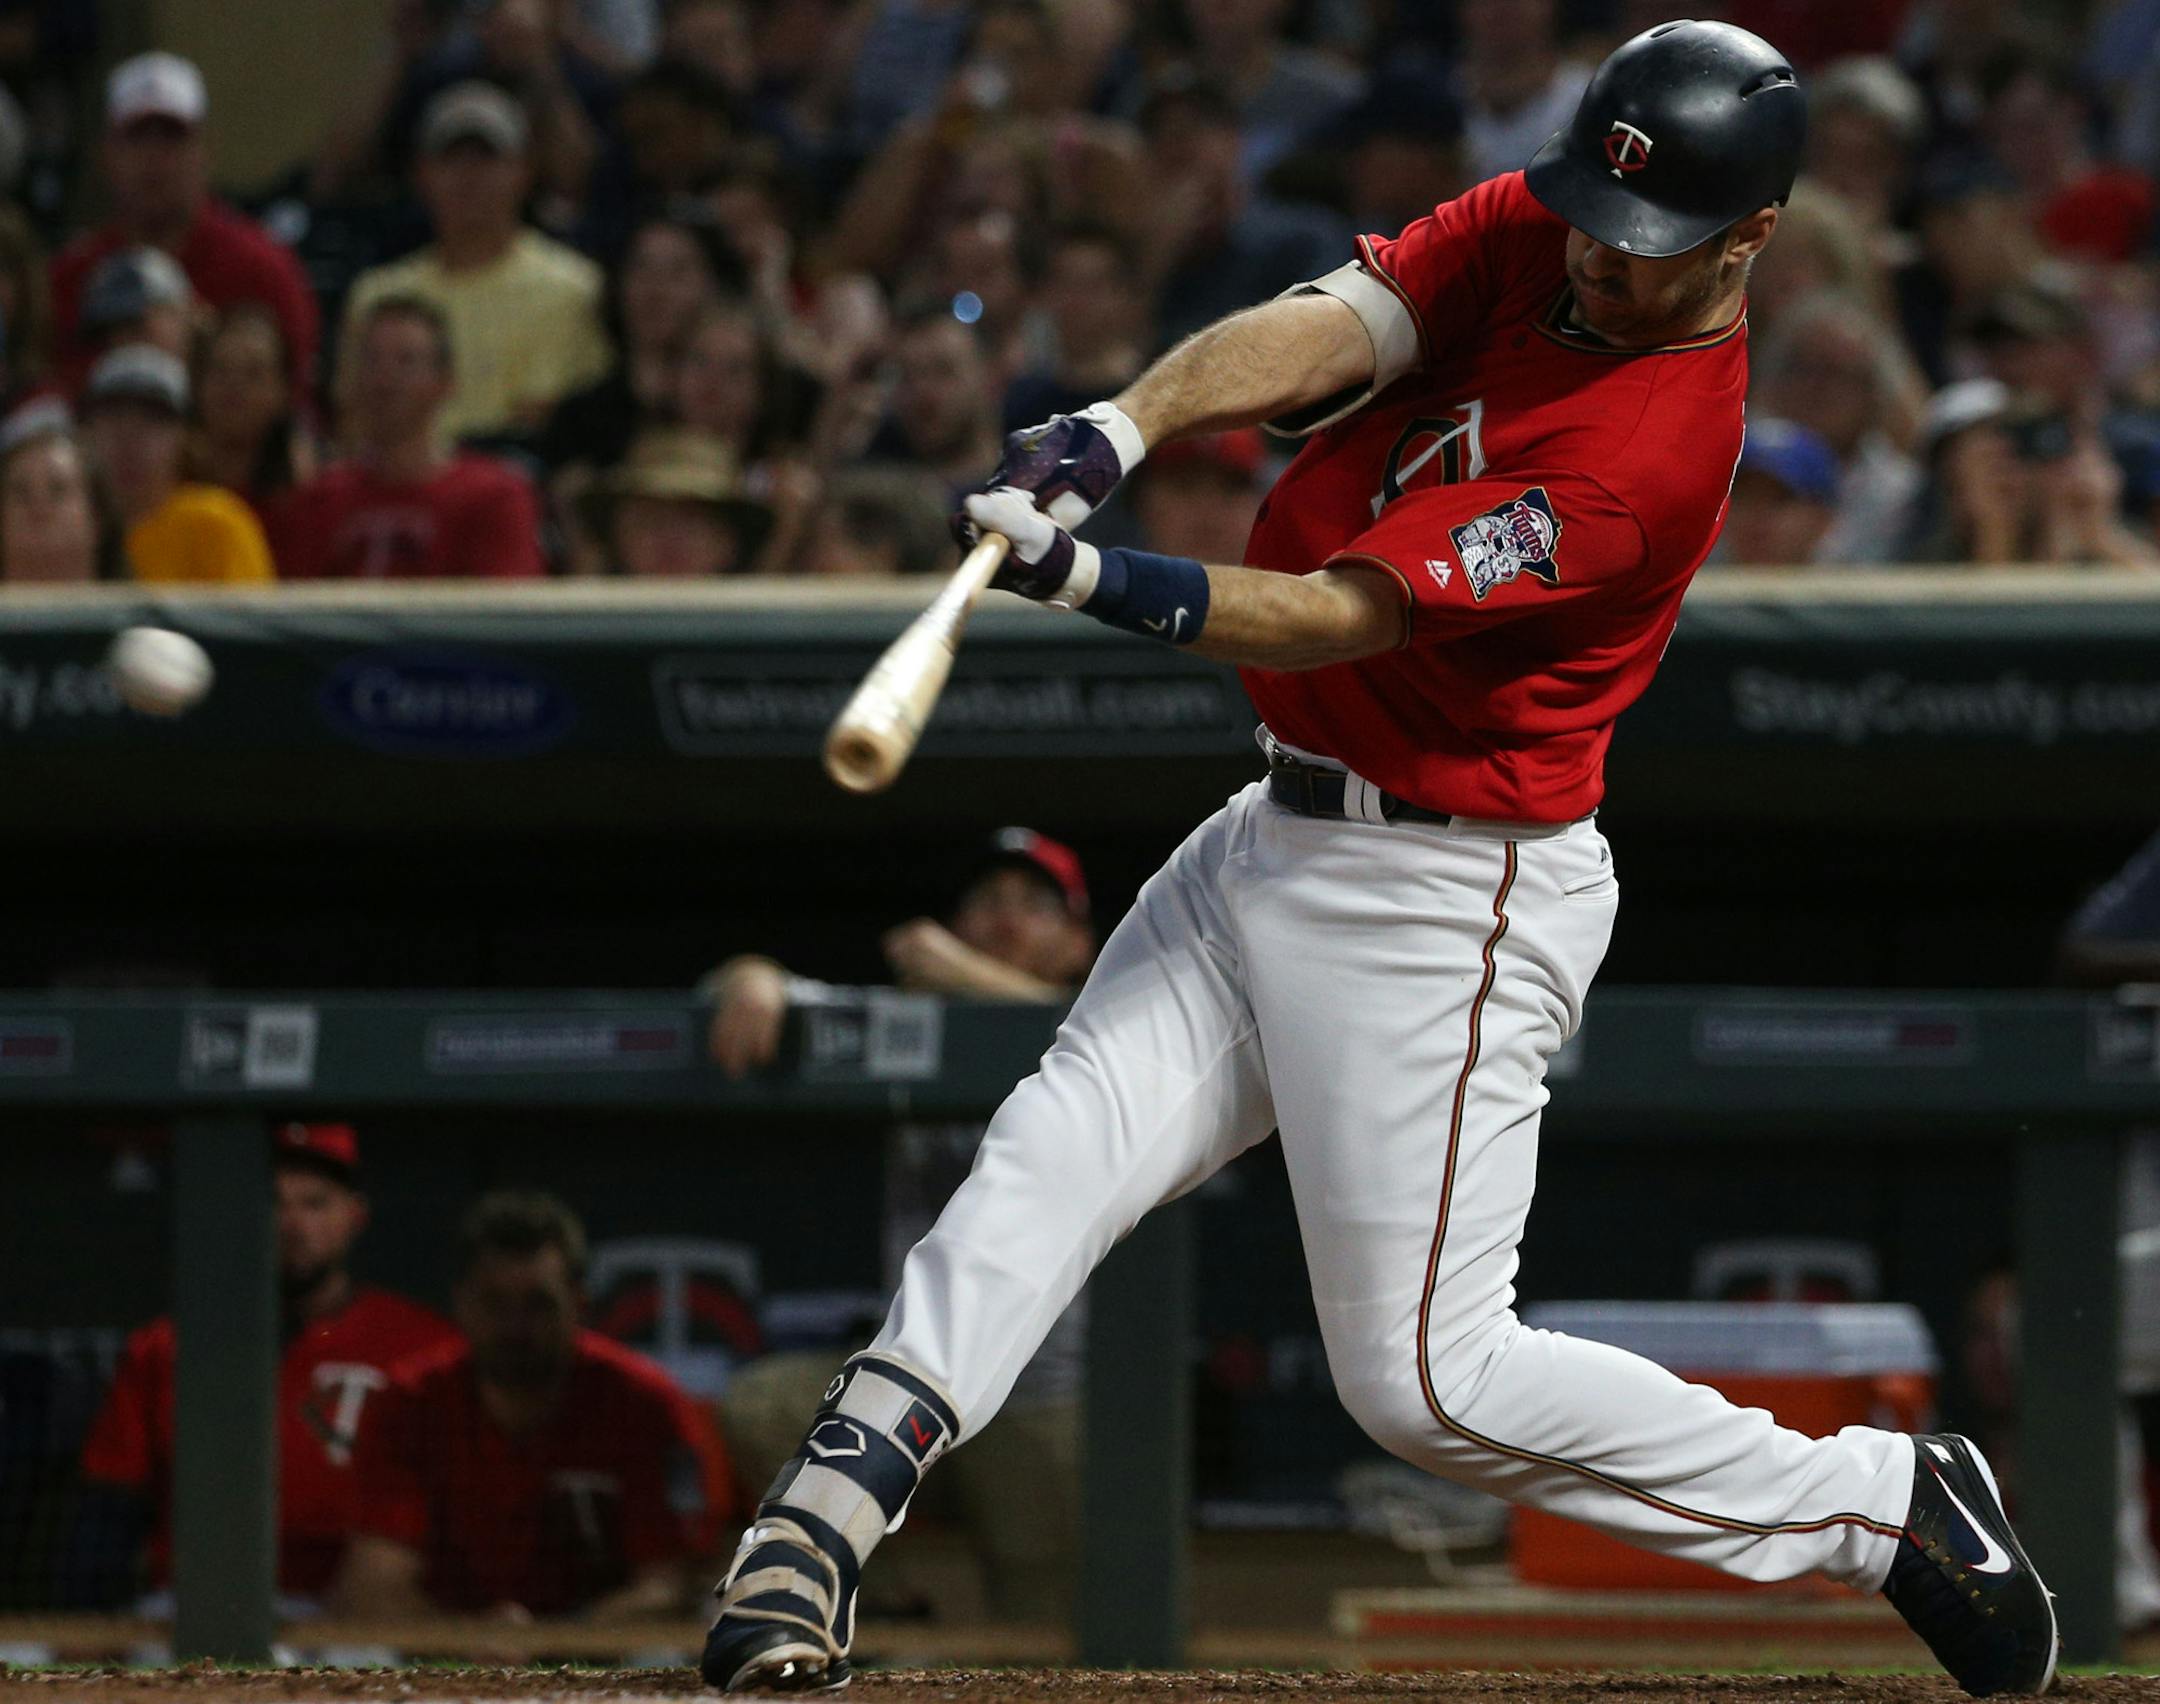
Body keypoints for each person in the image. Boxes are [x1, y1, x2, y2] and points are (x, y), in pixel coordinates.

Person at [699, 25, 2060, 1700]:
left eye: (1646, 252)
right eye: (1587, 217)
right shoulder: (1548, 220)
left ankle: (1882, 1500)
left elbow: (1348, 609)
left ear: (1750, 236)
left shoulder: (1659, 448)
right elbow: (1330, 328)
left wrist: (1108, 583)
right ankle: (827, 1510)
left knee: (1426, 1377)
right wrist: (1123, 425)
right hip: (1280, 819)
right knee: (1060, 1138)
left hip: (1449, 887)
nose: (1595, 261)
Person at [704, 829, 1096, 1620]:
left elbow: (1093, 1034)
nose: (1006, 917)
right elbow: (737, 983)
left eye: (1034, 905)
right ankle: (880, 1610)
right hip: (915, 1374)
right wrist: (755, 980)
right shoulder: (911, 1022)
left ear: (1079, 944)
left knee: (1052, 1638)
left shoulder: (1113, 1031)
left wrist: (958, 971)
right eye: (986, 901)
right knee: (764, 1407)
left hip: (1044, 1393)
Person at [71, 1124, 457, 1609]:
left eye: (315, 1203)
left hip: (357, 1610)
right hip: (193, 1607)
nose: (293, 1224)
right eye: (274, 1202)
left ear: (355, 1216)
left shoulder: (424, 1346)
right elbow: (110, 1510)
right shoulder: (166, 1347)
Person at [337, 1189, 733, 1622]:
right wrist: (476, 1639)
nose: (515, 1326)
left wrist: (544, 1645)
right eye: (494, 1303)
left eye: (538, 1304)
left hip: (604, 1655)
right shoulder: (409, 1402)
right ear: (460, 1303)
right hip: (447, 1651)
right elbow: (375, 1586)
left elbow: (668, 1586)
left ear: (579, 1305)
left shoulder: (644, 1404)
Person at [341, 81, 612, 445]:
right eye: (451, 158)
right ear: (422, 174)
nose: (469, 175)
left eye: (487, 157)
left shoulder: (576, 287)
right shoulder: (378, 295)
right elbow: (351, 421)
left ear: (523, 171)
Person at [49, 53, 318, 402]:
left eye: (173, 137)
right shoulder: (72, 276)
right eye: (137, 137)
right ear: (106, 154)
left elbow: (298, 409)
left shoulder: (263, 271)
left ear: (204, 152)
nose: (155, 157)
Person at [284, 295, 543, 582]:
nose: (384, 378)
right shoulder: (322, 498)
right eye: (371, 359)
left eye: (406, 361)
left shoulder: (492, 497)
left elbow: (505, 615)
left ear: (445, 382)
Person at [80, 344, 274, 585]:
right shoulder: (61, 530)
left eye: (153, 420)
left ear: (186, 436)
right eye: (112, 417)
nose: (129, 437)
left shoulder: (215, 525)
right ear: (85, 432)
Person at [190, 304, 316, 564]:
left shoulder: (306, 509)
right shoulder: (166, 493)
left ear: (283, 391)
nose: (234, 386)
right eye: (220, 370)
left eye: (254, 374)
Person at [577, 428, 770, 577]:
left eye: (691, 520)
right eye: (652, 520)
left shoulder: (767, 624)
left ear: (730, 540)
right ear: (617, 533)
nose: (670, 539)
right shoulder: (583, 625)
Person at [0, 411, 122, 583]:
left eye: (58, 490)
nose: (39, 508)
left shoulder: (154, 608)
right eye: (21, 493)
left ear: (97, 517)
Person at [1714, 418, 1841, 568]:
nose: (1757, 516)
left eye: (1779, 501)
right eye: (1743, 499)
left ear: (1822, 517)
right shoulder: (1689, 584)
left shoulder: (1860, 582)